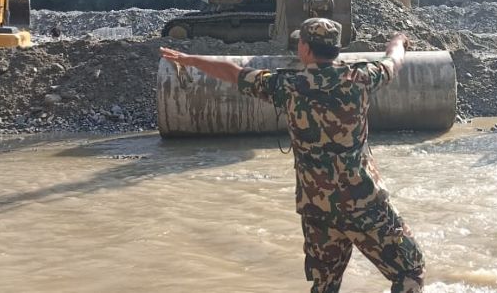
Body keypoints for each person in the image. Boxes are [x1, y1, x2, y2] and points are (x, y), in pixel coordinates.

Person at [160, 18, 425, 293]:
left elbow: (232, 72)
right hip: (364, 203)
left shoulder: (287, 86)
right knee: (410, 270)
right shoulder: (360, 78)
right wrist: (399, 40)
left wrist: (190, 59)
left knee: (325, 285)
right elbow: (393, 61)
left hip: (317, 209)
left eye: (300, 42)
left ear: (307, 50)